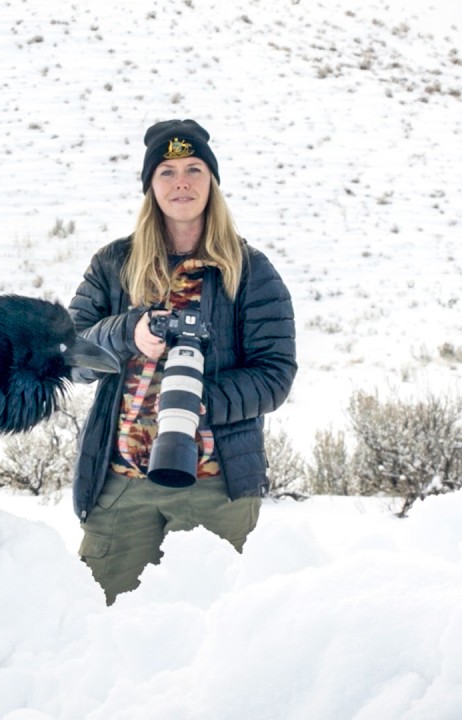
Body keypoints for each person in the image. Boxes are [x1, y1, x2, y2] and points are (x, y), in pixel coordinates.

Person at [68, 118, 297, 603]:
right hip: (121, 483)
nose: (182, 183)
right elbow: (70, 355)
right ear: (150, 186)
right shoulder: (114, 265)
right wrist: (126, 332)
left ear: (212, 182)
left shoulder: (250, 271)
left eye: (194, 169)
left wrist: (200, 400)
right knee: (96, 622)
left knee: (216, 631)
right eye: (167, 172)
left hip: (217, 484)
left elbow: (275, 374)